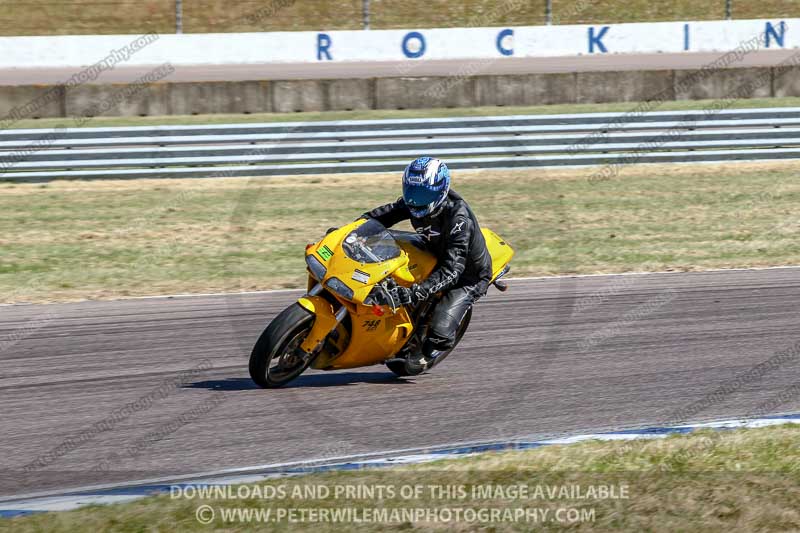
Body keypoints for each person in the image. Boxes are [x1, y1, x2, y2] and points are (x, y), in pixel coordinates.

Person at [362, 156, 493, 371]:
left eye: (422, 194)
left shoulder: (458, 218)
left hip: (466, 275)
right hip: (432, 251)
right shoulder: (414, 202)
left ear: (440, 190)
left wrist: (417, 291)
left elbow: (453, 269)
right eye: (411, 191)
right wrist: (350, 231)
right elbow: (380, 216)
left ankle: (430, 351)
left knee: (439, 332)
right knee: (379, 246)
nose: (415, 200)